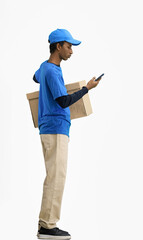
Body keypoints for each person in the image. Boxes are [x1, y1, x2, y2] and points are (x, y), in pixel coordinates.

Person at [33, 28, 101, 240]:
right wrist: (86, 88)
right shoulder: (52, 70)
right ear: (58, 46)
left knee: (54, 176)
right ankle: (47, 227)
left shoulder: (45, 68)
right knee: (56, 177)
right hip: (55, 128)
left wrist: (46, 80)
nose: (72, 51)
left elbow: (35, 77)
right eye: (69, 46)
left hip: (49, 127)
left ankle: (46, 223)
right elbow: (63, 101)